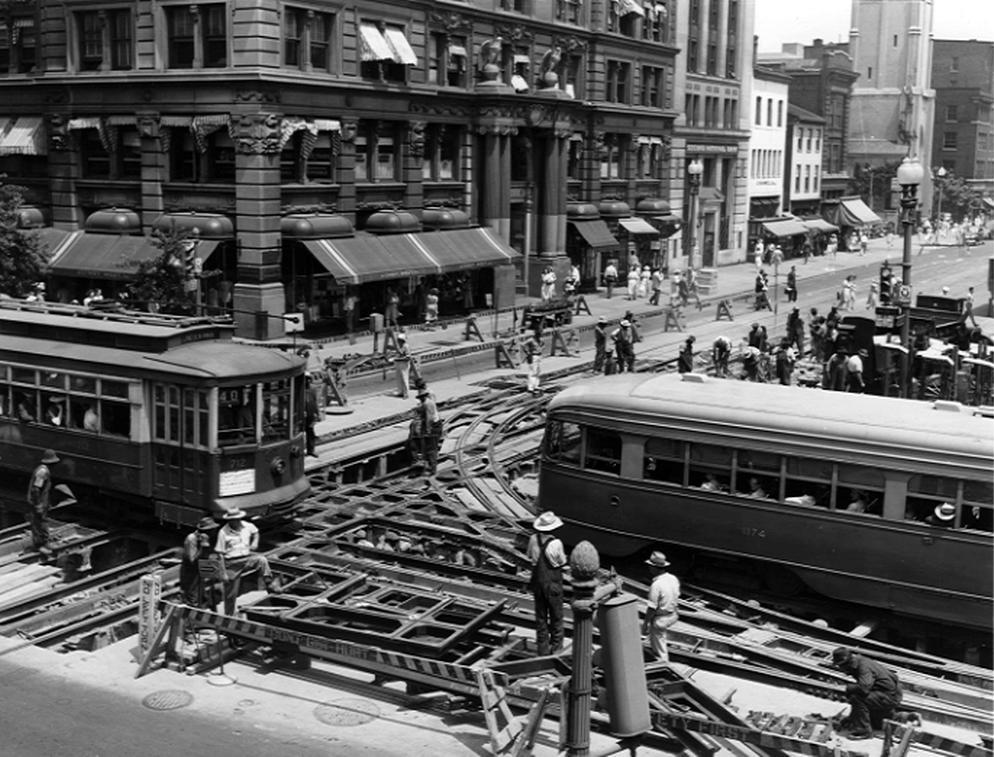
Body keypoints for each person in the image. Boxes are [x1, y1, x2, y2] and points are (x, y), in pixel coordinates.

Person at [214, 509, 279, 613]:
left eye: (235, 519)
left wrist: (255, 542)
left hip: (246, 559)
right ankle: (229, 614)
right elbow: (220, 554)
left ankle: (269, 583)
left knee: (262, 560)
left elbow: (256, 532)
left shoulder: (247, 526)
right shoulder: (223, 532)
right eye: (231, 520)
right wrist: (223, 573)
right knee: (230, 593)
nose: (233, 522)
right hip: (232, 563)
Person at [831, 647, 902, 739]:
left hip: (889, 696)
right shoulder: (859, 661)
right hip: (886, 693)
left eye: (840, 666)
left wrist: (849, 688)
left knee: (856, 698)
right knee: (875, 724)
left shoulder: (863, 667)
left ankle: (863, 731)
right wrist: (852, 718)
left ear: (846, 662)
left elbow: (864, 688)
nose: (841, 669)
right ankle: (899, 717)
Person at [527, 511, 567, 656]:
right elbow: (562, 561)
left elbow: (530, 556)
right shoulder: (556, 543)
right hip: (553, 583)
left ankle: (542, 651)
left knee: (541, 618)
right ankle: (556, 651)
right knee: (557, 618)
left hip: (538, 582)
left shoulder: (533, 539)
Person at [643, 551, 680, 662]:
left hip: (661, 619)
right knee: (657, 637)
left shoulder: (656, 585)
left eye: (650, 566)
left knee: (660, 648)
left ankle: (664, 663)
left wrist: (646, 623)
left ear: (654, 568)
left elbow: (652, 608)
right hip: (673, 615)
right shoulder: (673, 578)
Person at [180, 517, 218, 608]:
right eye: (212, 530)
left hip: (201, 569)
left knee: (204, 594)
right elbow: (192, 560)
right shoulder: (191, 539)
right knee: (193, 597)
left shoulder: (208, 538)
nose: (214, 532)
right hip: (191, 572)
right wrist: (203, 546)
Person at [27, 449, 60, 554]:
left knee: (40, 522)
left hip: (42, 501)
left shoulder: (44, 470)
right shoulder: (43, 472)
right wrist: (38, 505)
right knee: (39, 522)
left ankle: (42, 543)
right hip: (38, 502)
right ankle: (40, 544)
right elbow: (36, 489)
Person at [415, 384, 442, 475]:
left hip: (433, 427)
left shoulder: (427, 404)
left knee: (431, 448)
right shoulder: (427, 402)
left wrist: (427, 430)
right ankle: (429, 466)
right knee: (428, 448)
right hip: (433, 425)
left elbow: (429, 419)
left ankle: (433, 468)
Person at [304, 373, 320, 457]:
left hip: (310, 413)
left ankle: (311, 450)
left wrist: (317, 413)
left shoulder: (313, 388)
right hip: (301, 414)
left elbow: (315, 401)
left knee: (310, 432)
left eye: (308, 379)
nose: (307, 381)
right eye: (306, 379)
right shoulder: (298, 388)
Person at [393, 332, 413, 399]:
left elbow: (408, 357)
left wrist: (397, 359)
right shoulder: (400, 346)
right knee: (399, 378)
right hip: (399, 364)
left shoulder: (406, 346)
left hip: (404, 364)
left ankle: (406, 394)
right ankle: (400, 391)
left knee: (404, 379)